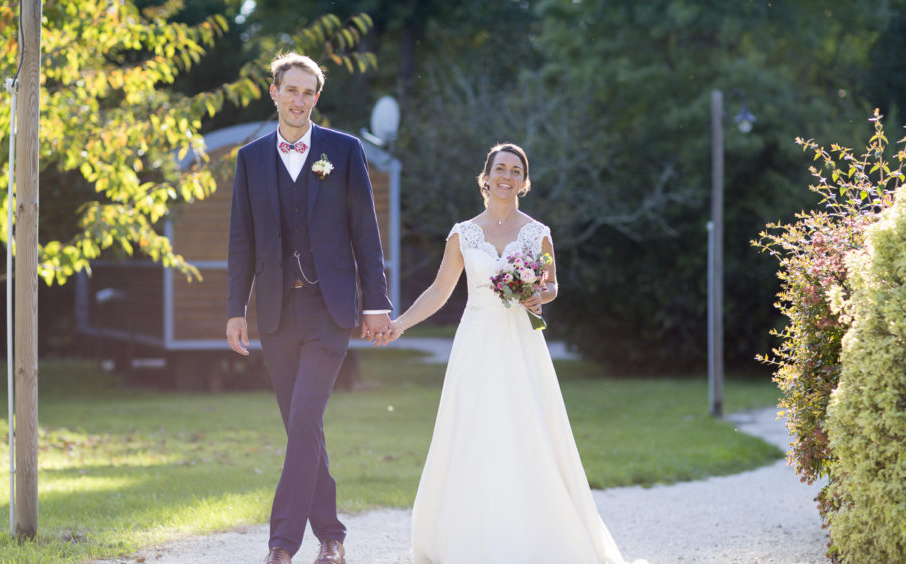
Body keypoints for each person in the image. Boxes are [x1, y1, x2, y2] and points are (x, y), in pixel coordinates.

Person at [392, 143, 637, 563]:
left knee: (529, 429)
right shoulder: (463, 233)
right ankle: (468, 538)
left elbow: (552, 284)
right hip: (477, 342)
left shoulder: (536, 232)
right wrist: (398, 325)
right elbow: (439, 291)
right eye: (499, 168)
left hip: (522, 344)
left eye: (516, 170)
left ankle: (537, 535)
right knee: (473, 431)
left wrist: (540, 295)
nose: (507, 175)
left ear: (525, 182)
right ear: (484, 177)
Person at [225, 52, 397, 564]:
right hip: (277, 314)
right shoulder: (250, 159)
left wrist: (378, 304)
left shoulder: (343, 152)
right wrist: (236, 308)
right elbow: (241, 240)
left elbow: (365, 232)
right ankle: (332, 535)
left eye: (308, 92)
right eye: (290, 90)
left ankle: (281, 545)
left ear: (316, 98)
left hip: (331, 310)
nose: (298, 100)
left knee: (303, 418)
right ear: (273, 93)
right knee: (303, 427)